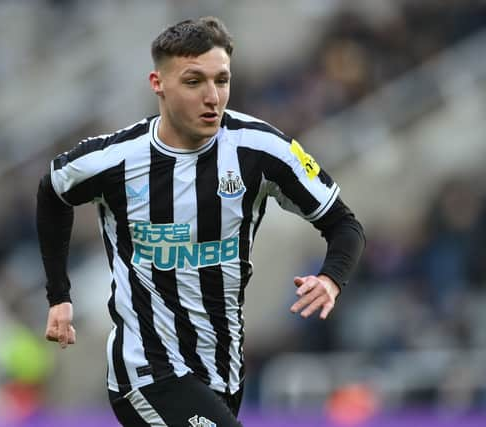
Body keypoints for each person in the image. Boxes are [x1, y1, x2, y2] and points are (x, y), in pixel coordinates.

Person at [36, 16, 365, 427]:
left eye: (221, 80)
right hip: (146, 370)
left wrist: (331, 278)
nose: (213, 96)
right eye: (194, 82)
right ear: (158, 83)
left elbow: (344, 224)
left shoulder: (260, 149)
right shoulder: (116, 159)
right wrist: (59, 294)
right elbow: (52, 191)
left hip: (222, 368)